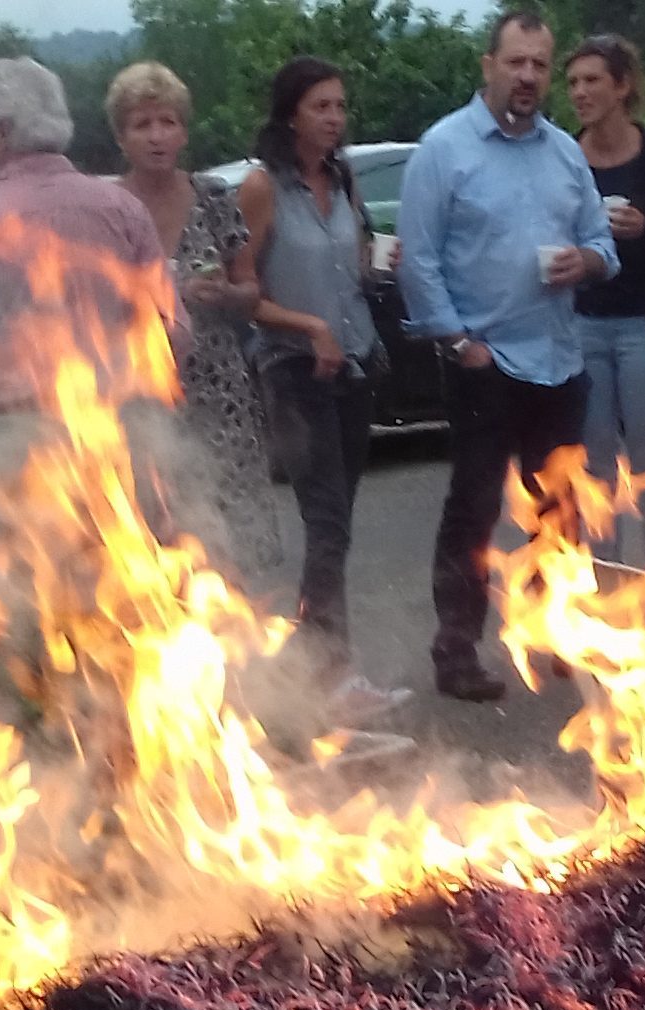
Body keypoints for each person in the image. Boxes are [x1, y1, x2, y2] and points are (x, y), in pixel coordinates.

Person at [396, 11, 619, 703]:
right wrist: (461, 344)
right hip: (485, 363)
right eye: (516, 63)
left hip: (558, 358)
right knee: (472, 509)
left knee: (560, 508)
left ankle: (553, 632)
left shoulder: (563, 153)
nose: (528, 77)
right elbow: (419, 260)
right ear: (488, 66)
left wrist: (586, 259)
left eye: (539, 66)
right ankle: (455, 648)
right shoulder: (444, 149)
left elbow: (602, 248)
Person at [241, 55, 409, 725]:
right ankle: (327, 675)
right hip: (294, 372)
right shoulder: (260, 189)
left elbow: (354, 267)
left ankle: (308, 666)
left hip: (356, 368)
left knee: (335, 527)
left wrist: (376, 261)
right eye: (322, 107)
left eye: (341, 106)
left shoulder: (341, 180)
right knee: (328, 524)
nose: (335, 118)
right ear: (291, 115)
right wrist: (309, 325)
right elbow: (243, 291)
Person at [0, 58, 184, 420]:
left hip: (9, 437)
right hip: (115, 428)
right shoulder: (124, 210)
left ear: (2, 132)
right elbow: (173, 330)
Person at [107, 62, 284, 585]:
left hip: (218, 391)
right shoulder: (110, 206)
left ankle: (240, 657)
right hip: (140, 391)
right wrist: (154, 298)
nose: (157, 136)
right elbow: (87, 301)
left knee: (228, 542)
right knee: (155, 533)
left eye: (167, 122)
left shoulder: (211, 196)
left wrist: (225, 293)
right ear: (121, 136)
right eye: (142, 124)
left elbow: (252, 289)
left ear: (184, 130)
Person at [565, 34, 645, 567]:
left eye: (592, 80)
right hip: (580, 323)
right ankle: (607, 589)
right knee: (594, 466)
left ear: (622, 87)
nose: (579, 92)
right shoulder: (563, 158)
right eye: (572, 82)